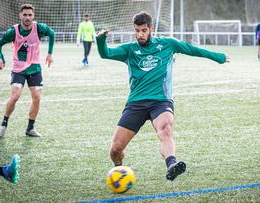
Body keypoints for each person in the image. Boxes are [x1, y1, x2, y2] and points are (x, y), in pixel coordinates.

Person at [96, 11, 230, 181]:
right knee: (116, 149)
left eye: (144, 30)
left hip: (161, 100)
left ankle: (171, 164)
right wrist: (100, 41)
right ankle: (119, 170)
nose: (140, 34)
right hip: (136, 102)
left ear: (151, 29)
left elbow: (192, 49)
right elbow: (105, 53)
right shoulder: (129, 49)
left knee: (165, 128)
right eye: (137, 30)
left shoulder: (168, 44)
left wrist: (218, 57)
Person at [0, 4, 55, 138]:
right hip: (19, 68)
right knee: (15, 96)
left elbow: (52, 33)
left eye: (30, 15)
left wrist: (50, 53)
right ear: (20, 15)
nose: (27, 17)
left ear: (33, 16)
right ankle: (4, 123)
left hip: (34, 67)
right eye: (25, 15)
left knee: (37, 97)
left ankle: (30, 128)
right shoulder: (13, 31)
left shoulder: (39, 28)